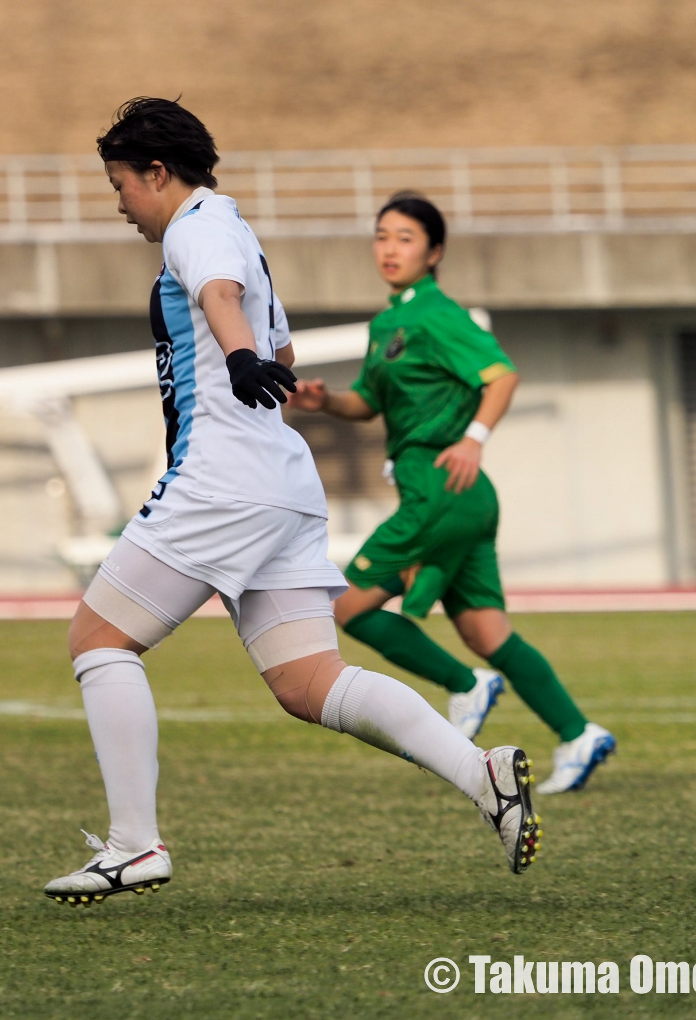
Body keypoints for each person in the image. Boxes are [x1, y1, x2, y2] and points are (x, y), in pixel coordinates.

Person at [44, 99, 542, 907]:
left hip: (222, 480)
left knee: (98, 639)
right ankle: (479, 771)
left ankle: (135, 845)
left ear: (157, 173)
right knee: (309, 682)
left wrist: (235, 355)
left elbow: (221, 299)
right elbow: (281, 347)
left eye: (121, 185)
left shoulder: (193, 229)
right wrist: (250, 354)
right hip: (280, 484)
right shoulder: (236, 224)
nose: (121, 204)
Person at [291, 192, 615, 795]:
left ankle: (465, 685)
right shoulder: (390, 321)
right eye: (382, 235)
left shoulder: (435, 313)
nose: (390, 248)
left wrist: (474, 438)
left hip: (442, 487)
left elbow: (501, 374)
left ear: (434, 251)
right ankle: (578, 732)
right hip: (457, 496)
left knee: (347, 607)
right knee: (487, 631)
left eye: (405, 237)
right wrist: (324, 402)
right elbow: (367, 402)